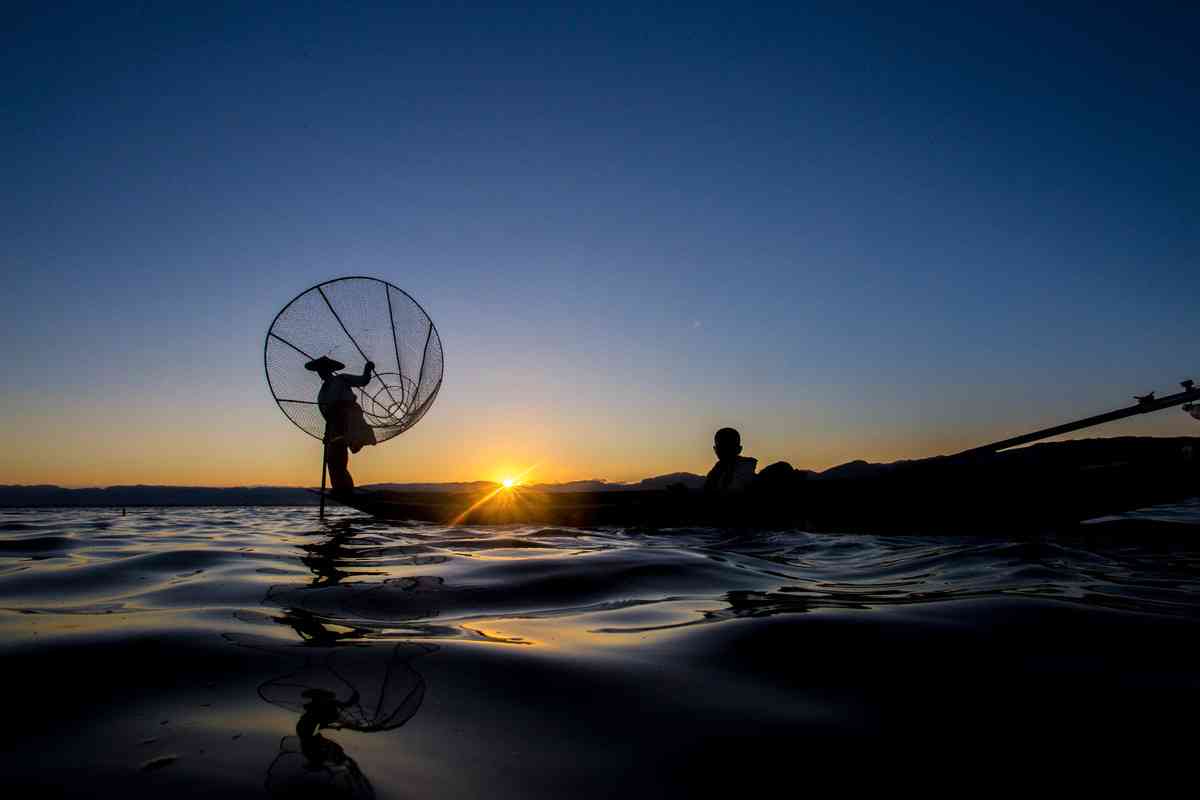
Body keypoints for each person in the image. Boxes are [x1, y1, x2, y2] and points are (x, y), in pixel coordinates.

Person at [306, 356, 377, 495]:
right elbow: (327, 413)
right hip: (334, 425)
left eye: (324, 369)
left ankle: (345, 489)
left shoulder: (342, 379)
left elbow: (363, 380)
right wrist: (328, 433)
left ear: (331, 370)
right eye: (320, 370)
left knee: (337, 457)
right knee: (332, 459)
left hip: (349, 420)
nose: (322, 372)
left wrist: (367, 369)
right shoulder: (323, 390)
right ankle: (341, 488)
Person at [703, 427, 758, 495]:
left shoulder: (746, 476)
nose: (725, 451)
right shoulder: (715, 473)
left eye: (728, 446)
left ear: (739, 449)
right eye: (722, 447)